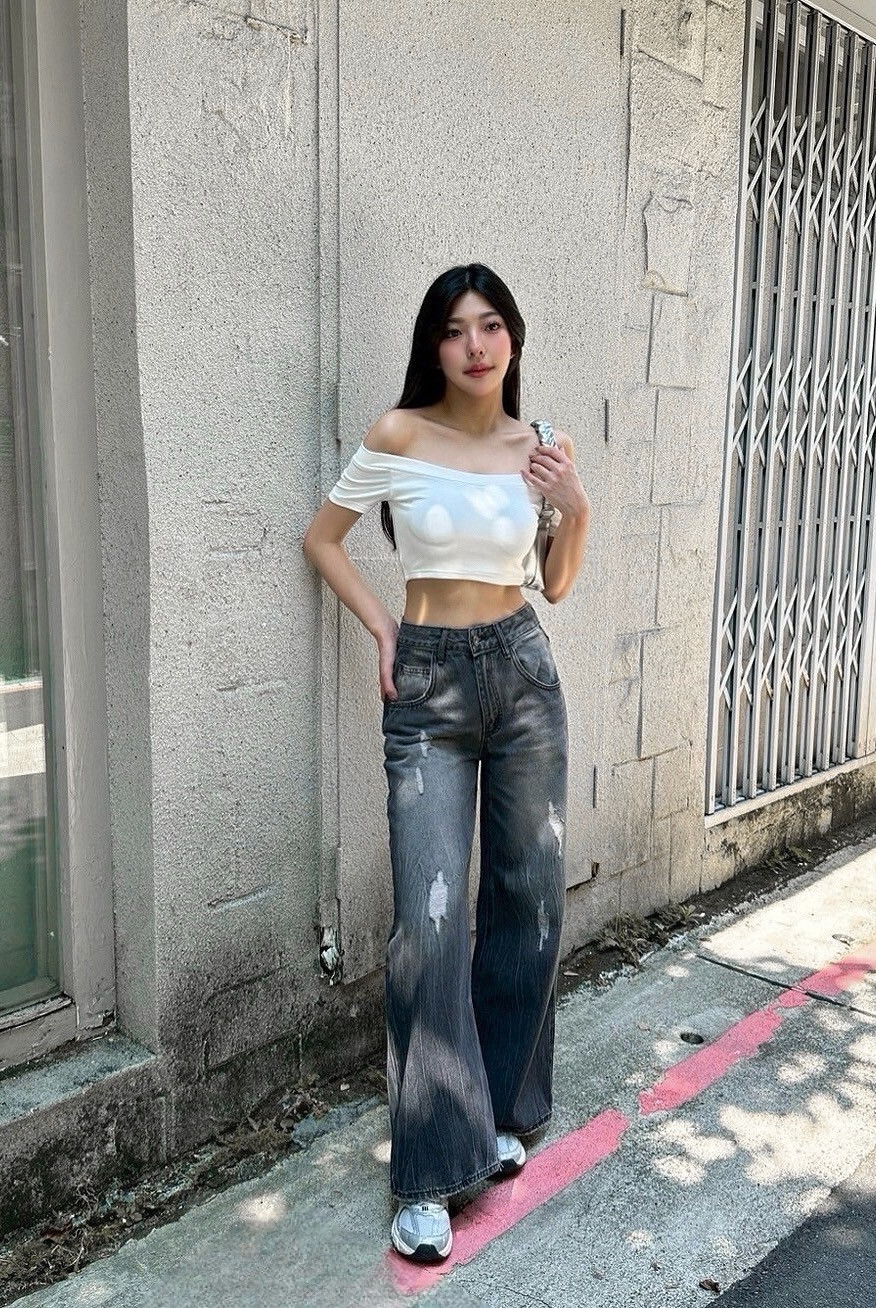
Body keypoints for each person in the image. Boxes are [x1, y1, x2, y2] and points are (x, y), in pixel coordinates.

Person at [302, 263, 590, 1262]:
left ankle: (503, 1111)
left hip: (523, 674)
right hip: (427, 684)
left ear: (513, 338)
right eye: (456, 329)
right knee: (428, 922)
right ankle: (429, 1171)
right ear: (435, 345)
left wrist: (574, 506)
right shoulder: (398, 434)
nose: (476, 344)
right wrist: (384, 628)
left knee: (529, 898)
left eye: (491, 325)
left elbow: (554, 583)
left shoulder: (539, 446)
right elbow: (324, 539)